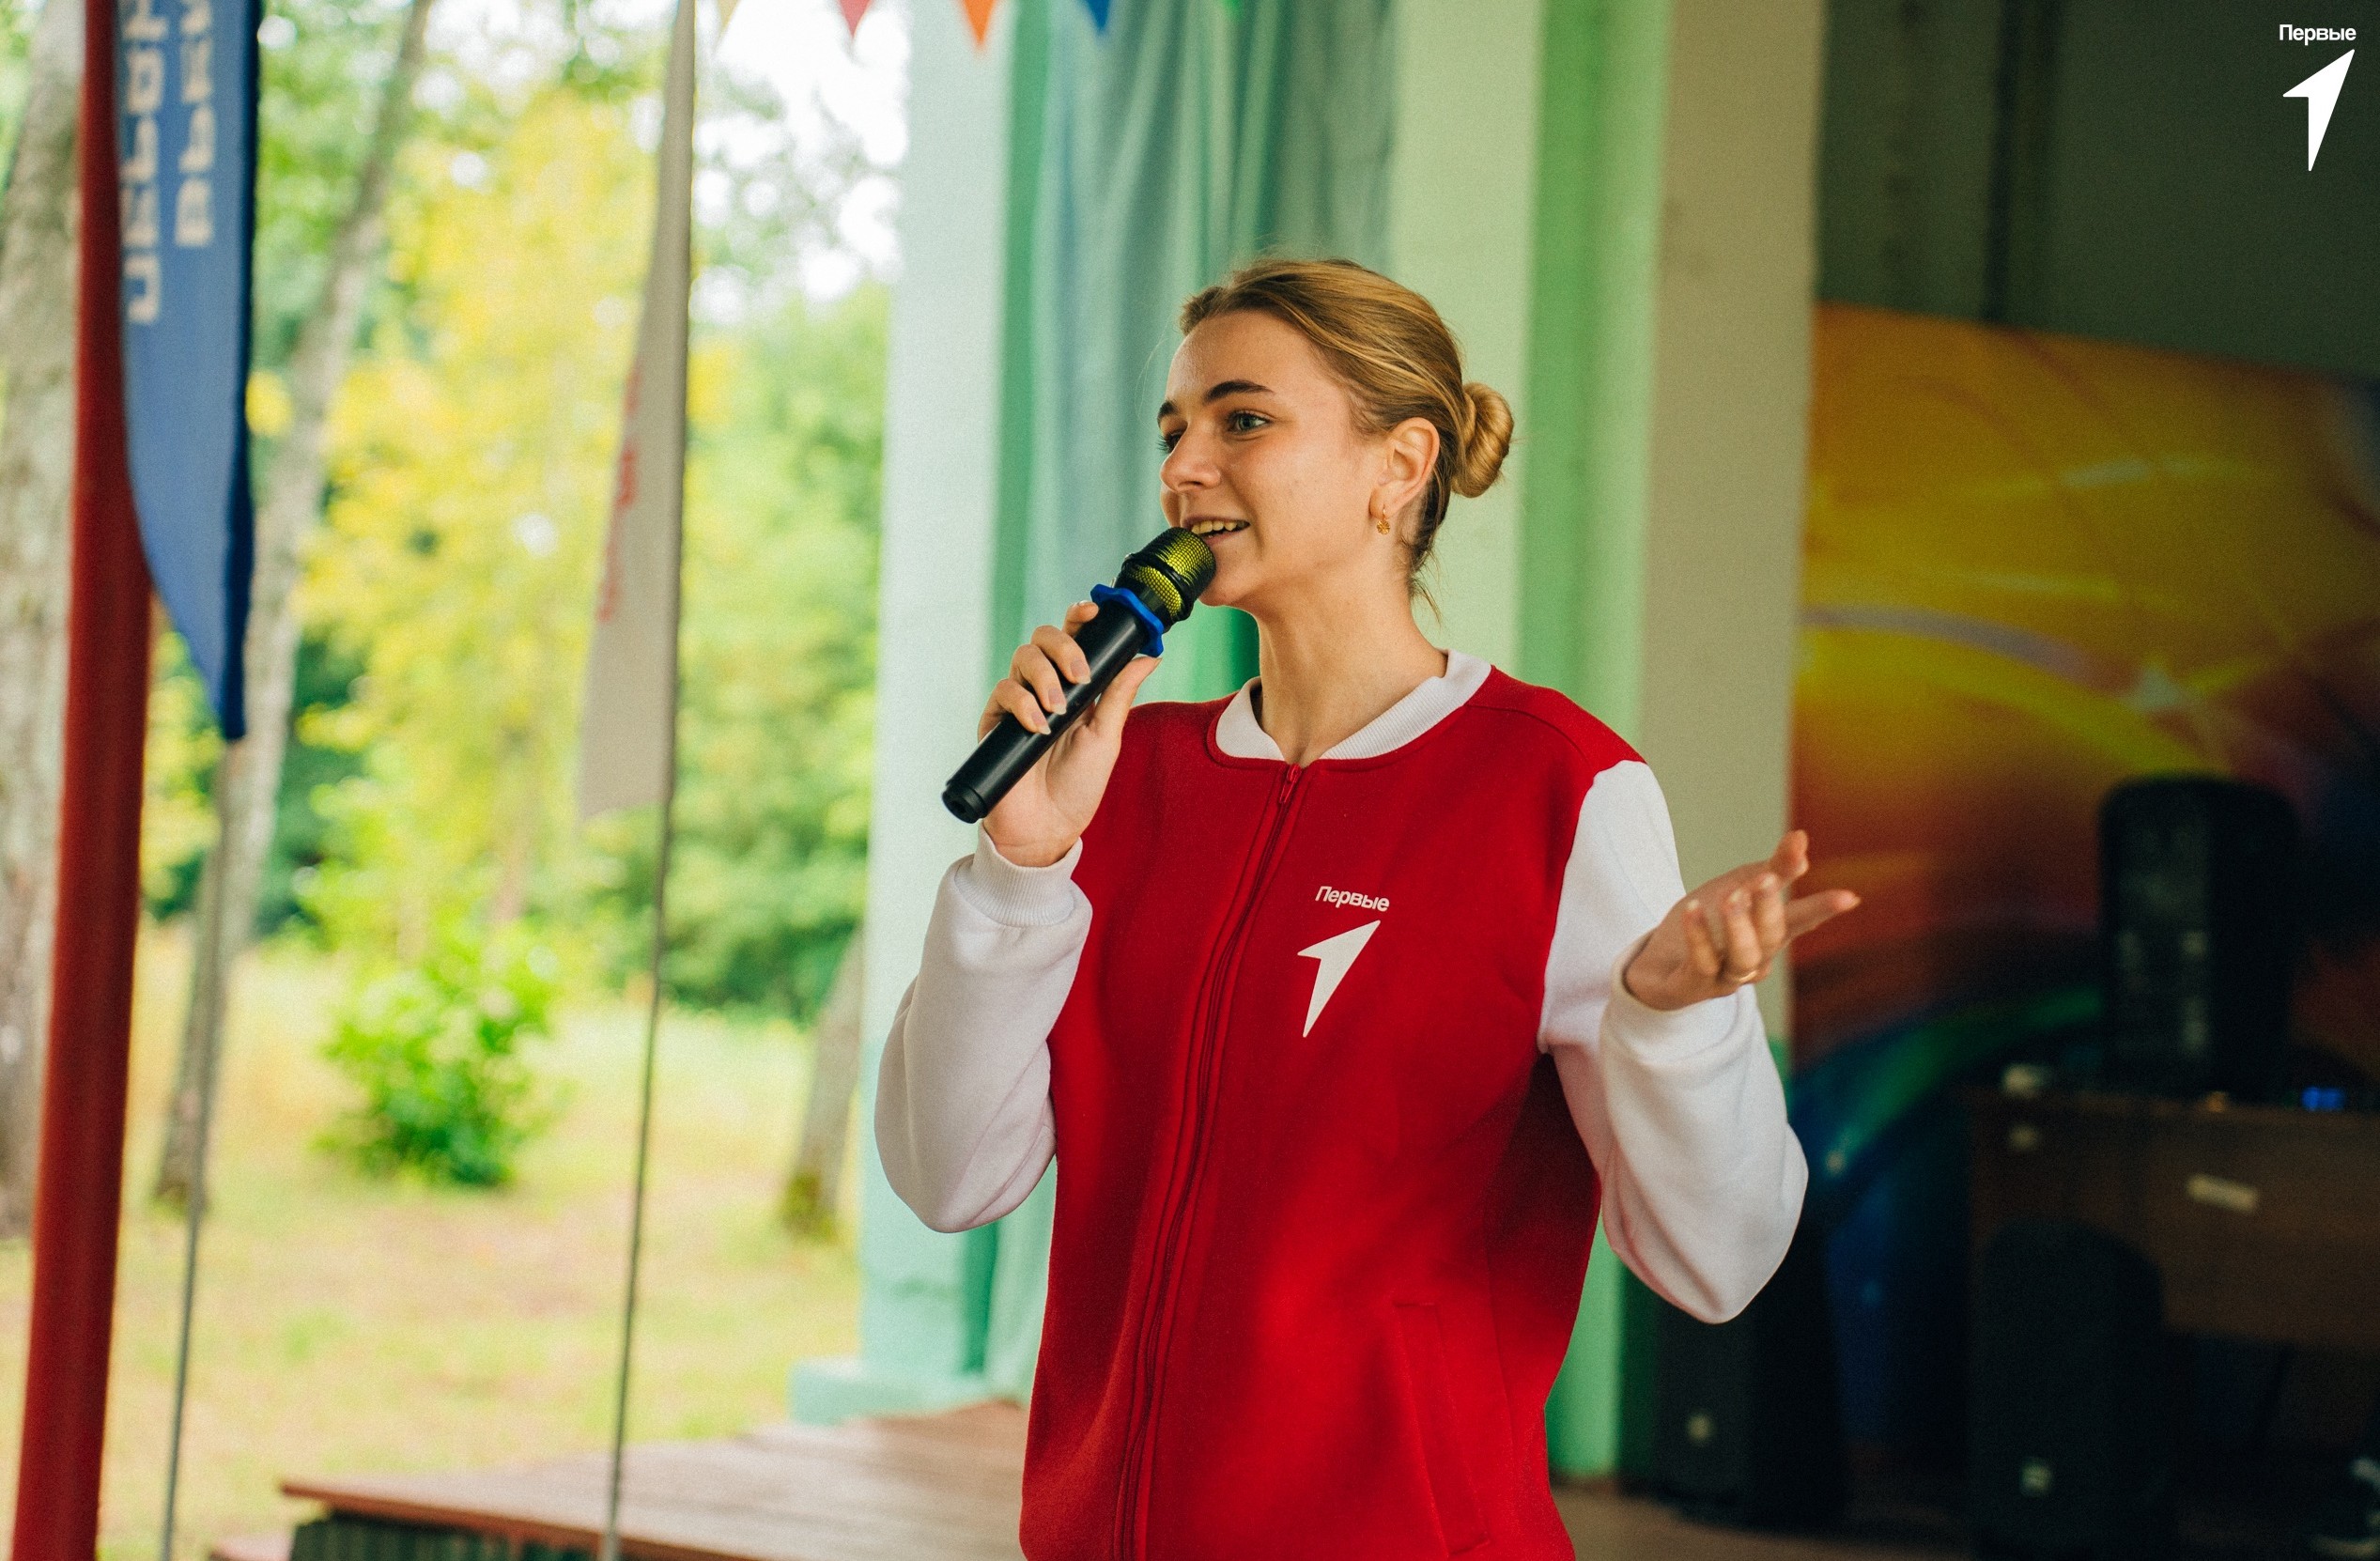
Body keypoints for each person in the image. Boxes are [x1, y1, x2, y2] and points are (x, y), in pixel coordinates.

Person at [875, 257, 1861, 1561]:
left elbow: (1717, 1262)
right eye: (1173, 430)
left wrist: (1673, 1020)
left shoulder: (1554, 786)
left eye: (1243, 419)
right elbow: (947, 1175)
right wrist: (1019, 871)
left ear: (1398, 466)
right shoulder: (1119, 777)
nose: (1185, 468)